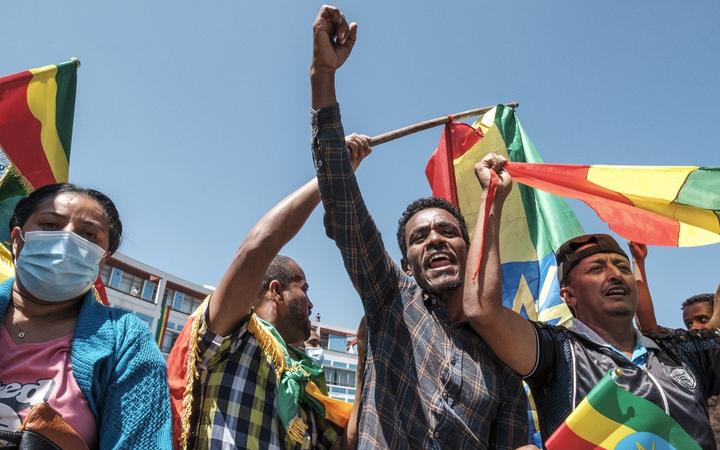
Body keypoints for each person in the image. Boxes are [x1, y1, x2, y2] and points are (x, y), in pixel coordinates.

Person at [310, 6, 528, 449]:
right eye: (419, 237)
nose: (434, 240)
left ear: (470, 250)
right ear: (406, 263)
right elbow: (342, 198)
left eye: (448, 232)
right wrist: (322, 74)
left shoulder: (503, 356)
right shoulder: (390, 299)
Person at [463, 152, 720, 449]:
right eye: (597, 269)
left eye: (622, 267)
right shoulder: (557, 353)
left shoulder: (681, 351)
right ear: (568, 295)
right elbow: (482, 309)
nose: (615, 275)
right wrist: (492, 199)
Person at [167, 134, 370, 450]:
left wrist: (363, 364)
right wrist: (330, 174)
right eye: (304, 289)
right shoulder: (231, 334)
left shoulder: (305, 378)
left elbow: (348, 443)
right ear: (276, 290)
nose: (312, 302)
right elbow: (256, 249)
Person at [0, 183, 171, 449]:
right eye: (50, 224)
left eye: (89, 235)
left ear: (102, 261)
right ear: (17, 240)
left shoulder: (126, 341)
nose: (67, 239)